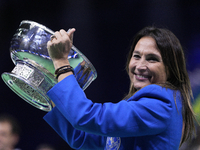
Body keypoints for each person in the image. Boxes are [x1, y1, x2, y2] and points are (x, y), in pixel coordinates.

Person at [43, 26, 196, 150]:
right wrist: (55, 90)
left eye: (152, 59)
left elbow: (86, 117)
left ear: (170, 69)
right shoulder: (141, 106)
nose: (140, 66)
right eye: (136, 56)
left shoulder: (161, 104)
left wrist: (62, 64)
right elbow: (82, 139)